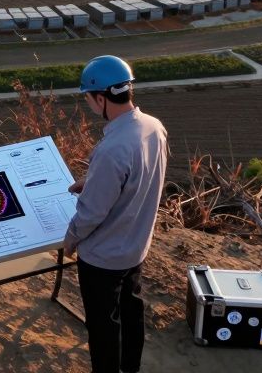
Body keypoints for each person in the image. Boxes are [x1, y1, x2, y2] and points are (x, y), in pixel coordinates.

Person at [63, 55, 168, 373]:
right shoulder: (153, 127)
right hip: (136, 247)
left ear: (101, 97)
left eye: (89, 99)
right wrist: (93, 180)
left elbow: (92, 213)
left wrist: (70, 239)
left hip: (103, 259)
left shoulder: (112, 149)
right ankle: (130, 367)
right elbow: (140, 177)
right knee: (131, 310)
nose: (89, 105)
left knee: (103, 325)